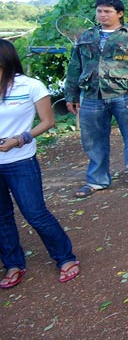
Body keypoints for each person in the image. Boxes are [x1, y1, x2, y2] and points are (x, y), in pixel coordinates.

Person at [0, 39, 80, 288]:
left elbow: (47, 121)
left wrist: (19, 139)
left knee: (35, 213)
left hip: (19, 160)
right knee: (1, 217)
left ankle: (65, 257)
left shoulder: (30, 85)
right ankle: (13, 264)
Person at [65, 0, 128, 198]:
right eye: (100, 11)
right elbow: (75, 66)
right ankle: (97, 180)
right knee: (93, 140)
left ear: (119, 14)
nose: (102, 15)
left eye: (108, 11)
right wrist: (71, 95)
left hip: (123, 95)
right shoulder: (86, 37)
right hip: (92, 96)